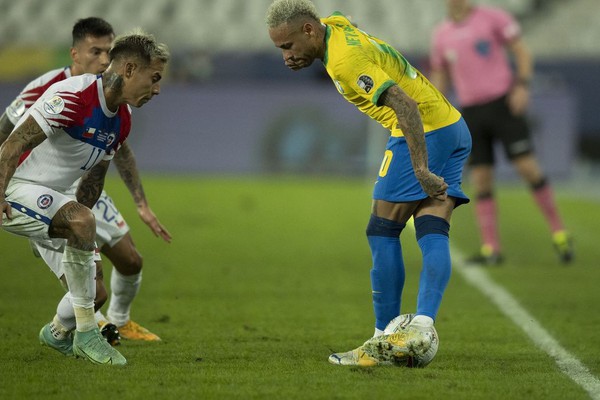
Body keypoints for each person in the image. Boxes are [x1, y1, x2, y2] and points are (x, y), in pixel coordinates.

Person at [266, 0, 472, 366]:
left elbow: (405, 107)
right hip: (453, 125)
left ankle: (379, 344)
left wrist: (421, 168)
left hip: (423, 129)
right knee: (431, 226)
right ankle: (422, 325)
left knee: (382, 230)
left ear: (309, 31)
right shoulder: (334, 26)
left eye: (288, 46)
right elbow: (345, 20)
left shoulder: (346, 62)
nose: (286, 56)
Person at [0, 29, 170, 365]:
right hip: (15, 189)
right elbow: (13, 144)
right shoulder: (71, 96)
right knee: (80, 220)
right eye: (154, 78)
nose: (157, 89)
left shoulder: (122, 119)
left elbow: (93, 180)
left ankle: (58, 333)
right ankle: (88, 335)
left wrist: (78, 237)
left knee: (96, 293)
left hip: (57, 200)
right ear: (130, 70)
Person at [429, 0, 573, 265]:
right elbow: (440, 74)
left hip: (503, 105)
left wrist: (522, 85)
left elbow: (521, 52)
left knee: (527, 167)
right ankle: (491, 248)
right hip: (471, 112)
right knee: (481, 177)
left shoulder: (492, 18)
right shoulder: (441, 33)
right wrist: (437, 107)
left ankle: (559, 232)